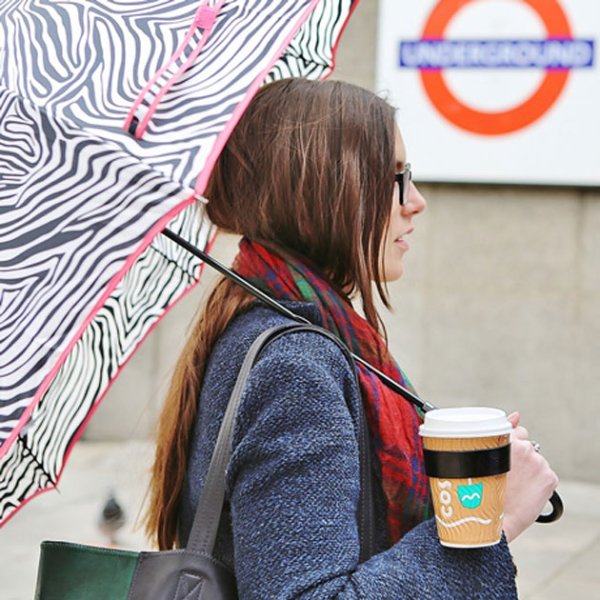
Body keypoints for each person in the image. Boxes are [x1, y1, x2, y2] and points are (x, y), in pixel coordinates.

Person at [145, 78, 558, 598]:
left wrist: (469, 484)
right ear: (325, 191)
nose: (417, 202)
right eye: (396, 178)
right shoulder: (295, 368)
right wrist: (483, 525)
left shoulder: (266, 324)